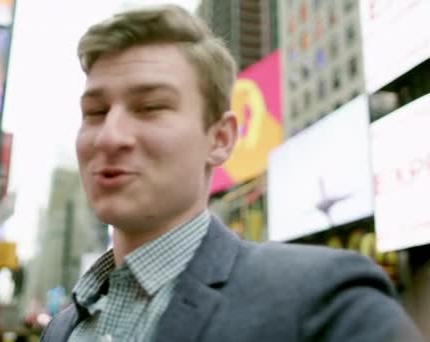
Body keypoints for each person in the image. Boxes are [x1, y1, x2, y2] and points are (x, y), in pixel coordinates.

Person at [41, 4, 423, 342]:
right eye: (94, 112)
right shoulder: (61, 329)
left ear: (220, 138)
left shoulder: (322, 303)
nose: (109, 135)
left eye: (151, 107)